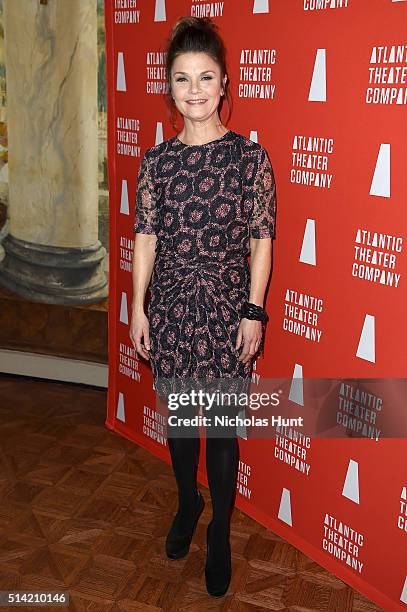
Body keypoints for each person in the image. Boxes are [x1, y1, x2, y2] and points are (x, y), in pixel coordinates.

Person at [130, 16, 276, 598]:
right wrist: (138, 308)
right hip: (170, 309)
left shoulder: (249, 161)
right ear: (169, 86)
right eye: (182, 78)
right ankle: (188, 504)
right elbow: (145, 237)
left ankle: (218, 527)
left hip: (225, 311)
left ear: (224, 86)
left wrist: (253, 310)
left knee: (219, 427)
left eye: (205, 78)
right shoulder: (157, 163)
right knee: (181, 424)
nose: (194, 89)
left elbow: (260, 239)